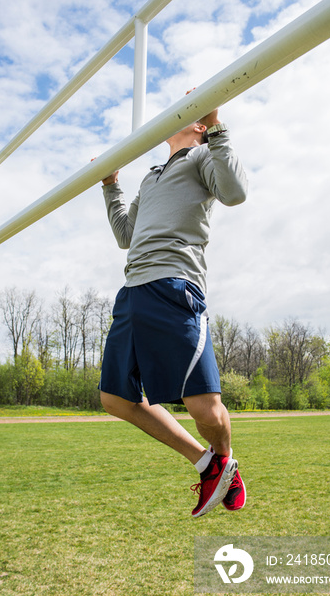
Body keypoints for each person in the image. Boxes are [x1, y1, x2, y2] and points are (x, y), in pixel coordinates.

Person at [98, 102, 249, 517]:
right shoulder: (151, 177)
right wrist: (111, 186)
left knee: (203, 407)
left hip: (174, 285)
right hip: (132, 288)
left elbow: (235, 193)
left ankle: (225, 460)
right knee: (114, 397)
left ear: (197, 124)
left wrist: (217, 127)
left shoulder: (202, 155)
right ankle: (210, 465)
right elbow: (126, 236)